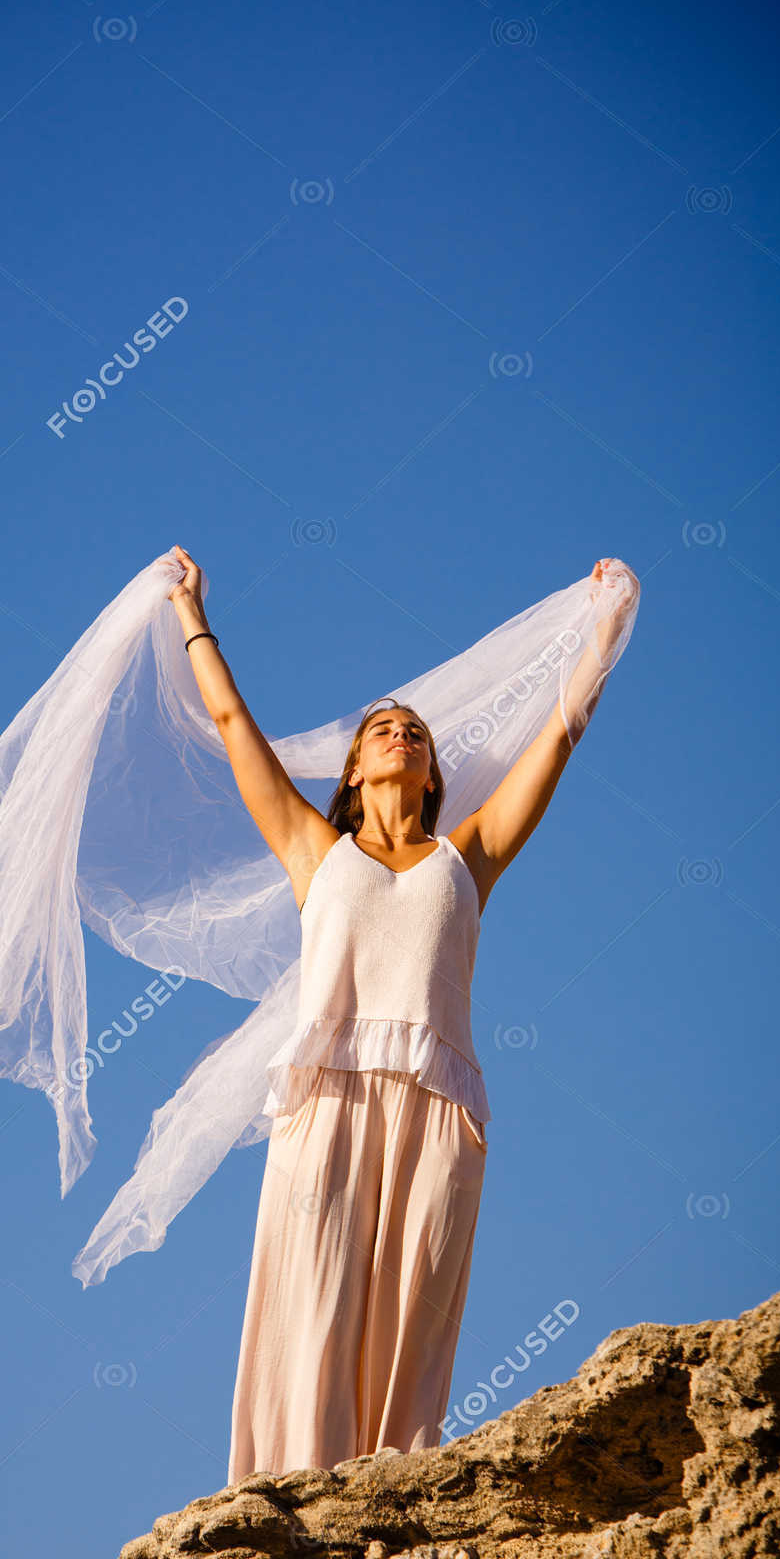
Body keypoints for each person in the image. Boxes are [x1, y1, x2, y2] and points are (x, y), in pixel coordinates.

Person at [163, 545, 638, 1483]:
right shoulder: (313, 850)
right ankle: (285, 1496)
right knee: (314, 1298)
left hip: (435, 1112)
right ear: (352, 773)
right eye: (383, 727)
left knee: (411, 1315)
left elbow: (559, 737)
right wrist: (191, 614)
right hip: (328, 1104)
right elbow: (230, 722)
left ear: (432, 775)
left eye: (416, 732)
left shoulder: (472, 856)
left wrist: (605, 631)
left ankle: (392, 1499)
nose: (401, 733)